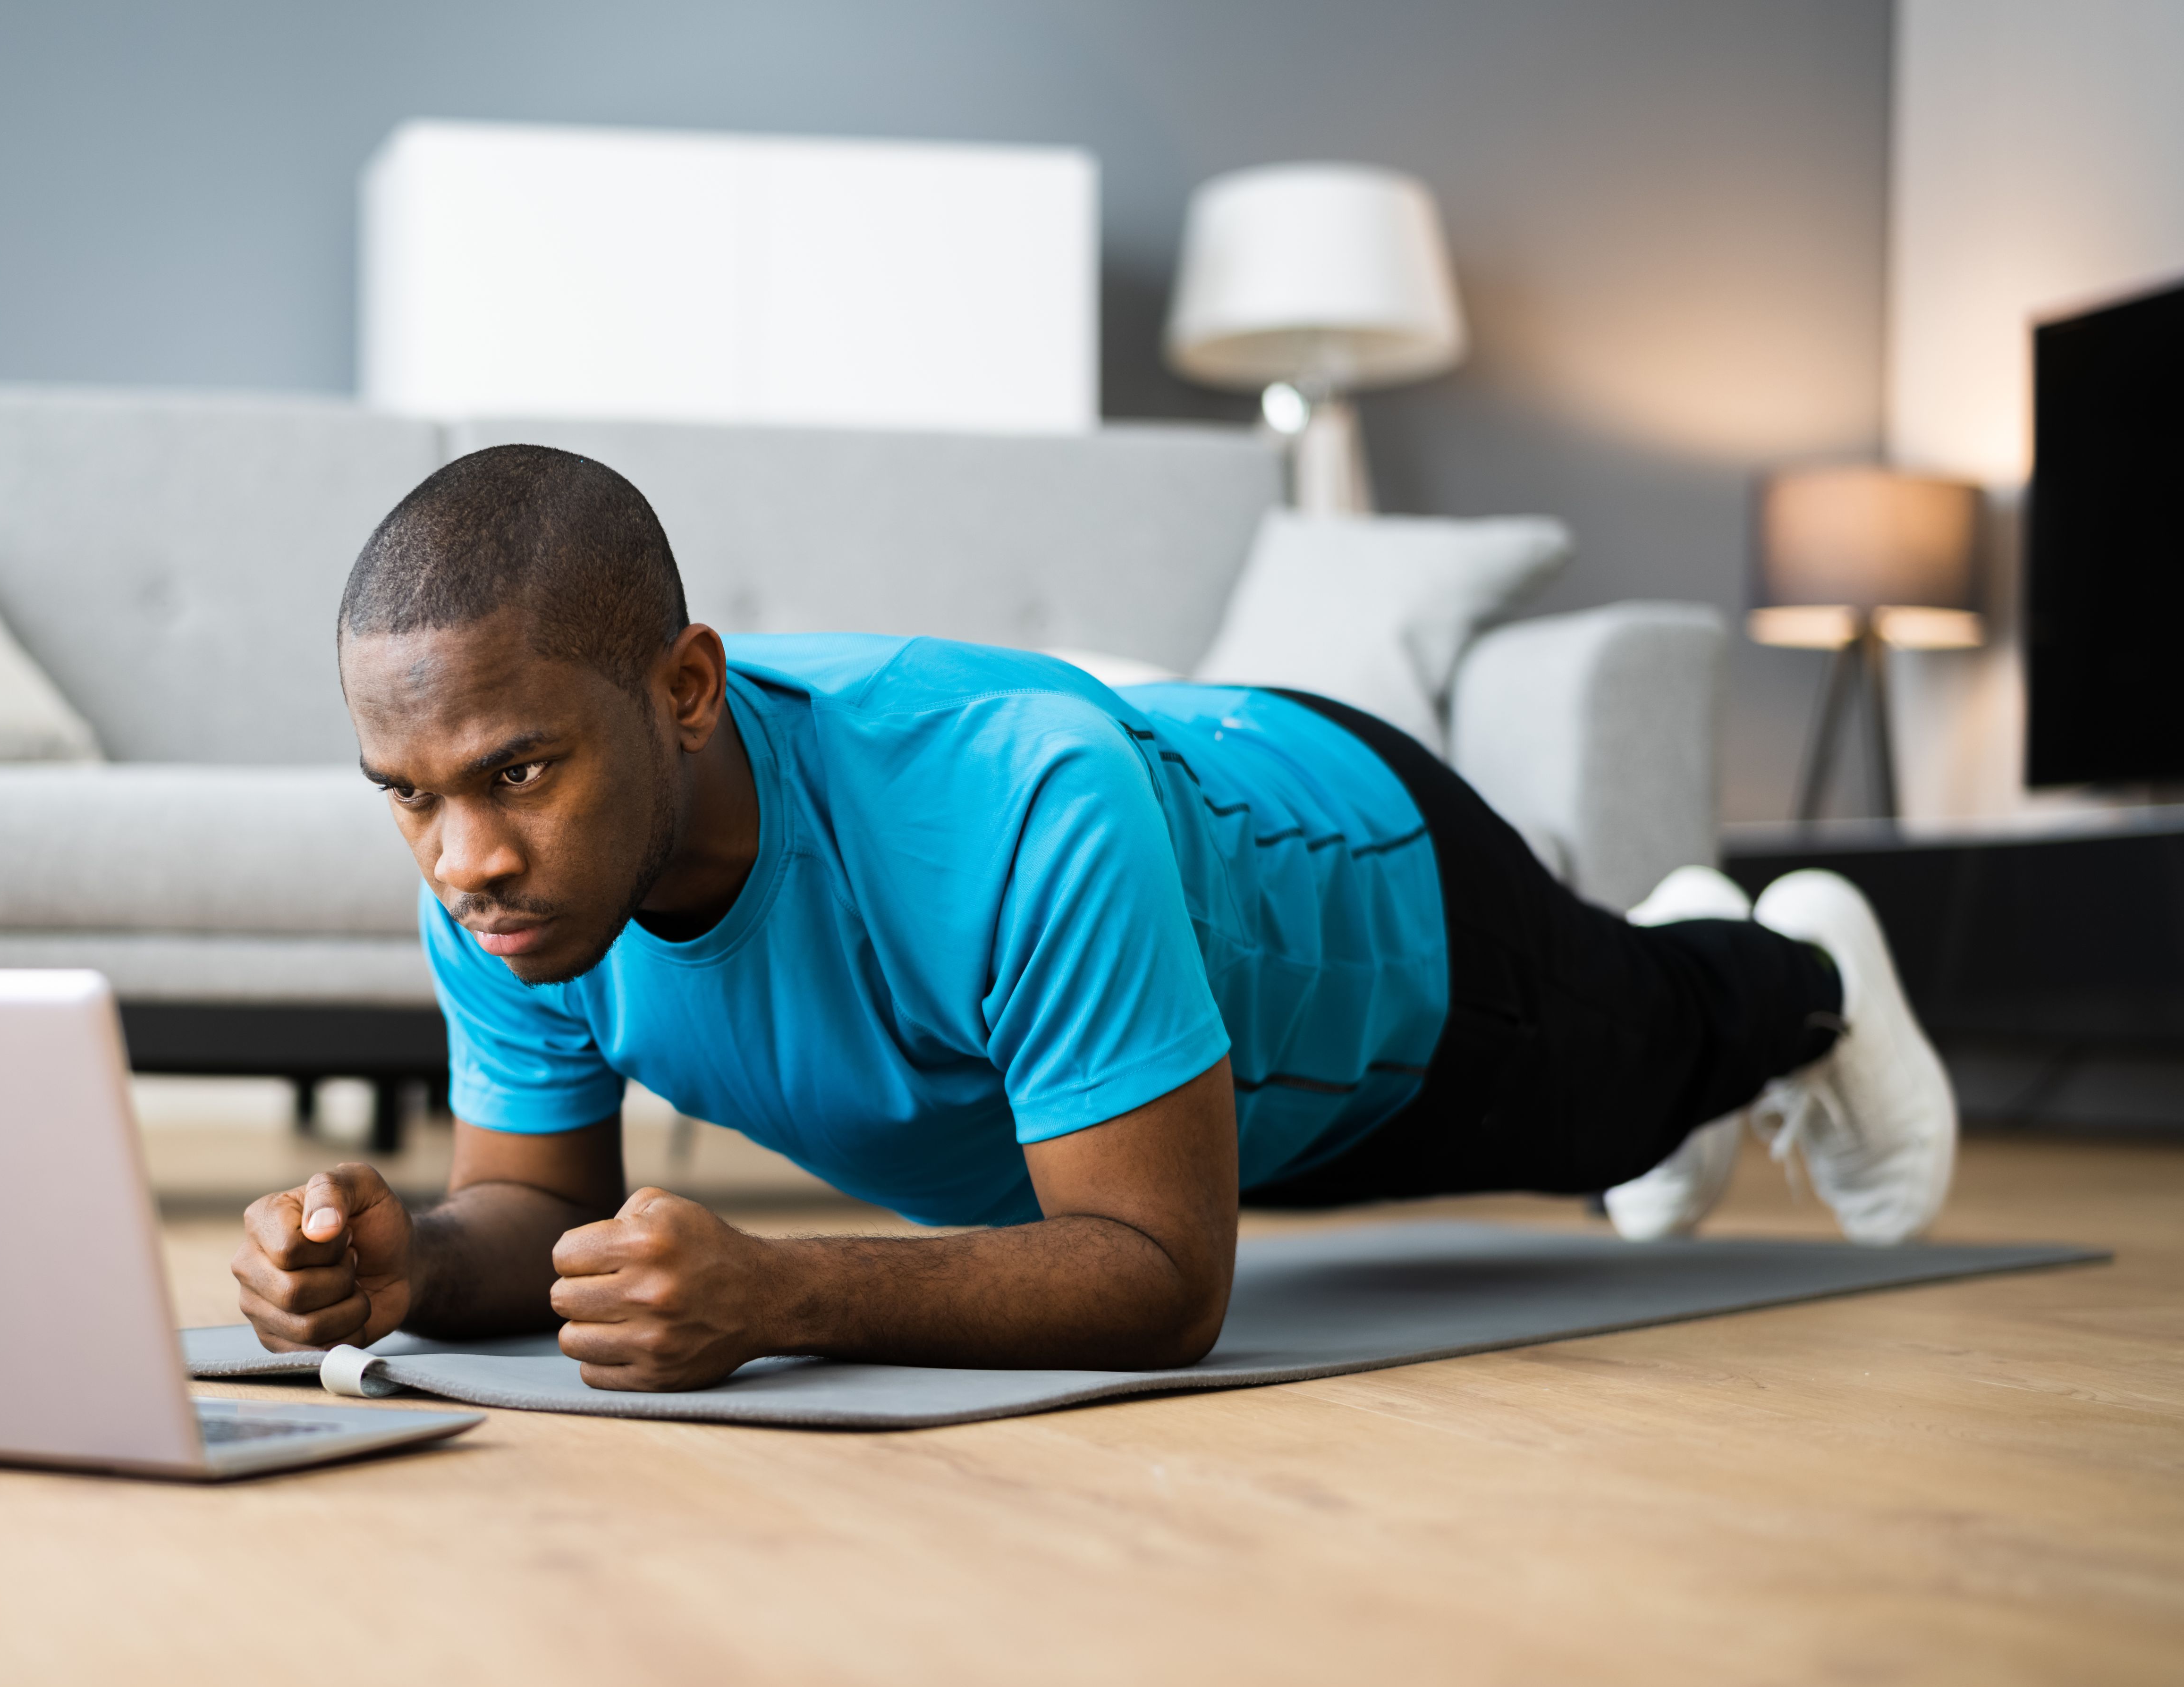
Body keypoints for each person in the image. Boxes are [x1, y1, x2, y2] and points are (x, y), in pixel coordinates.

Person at [231, 447, 1957, 1391]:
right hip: (1189, 1071)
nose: (460, 859)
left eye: (518, 773)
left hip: (1368, 906)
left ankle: (1799, 969)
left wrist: (781, 1294)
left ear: (685, 688)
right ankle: (1678, 967)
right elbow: (534, 1204)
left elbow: (1161, 1276)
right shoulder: (505, 873)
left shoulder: (1011, 805)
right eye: (410, 795)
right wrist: (411, 1266)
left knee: (1641, 1069)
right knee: (1602, 1112)